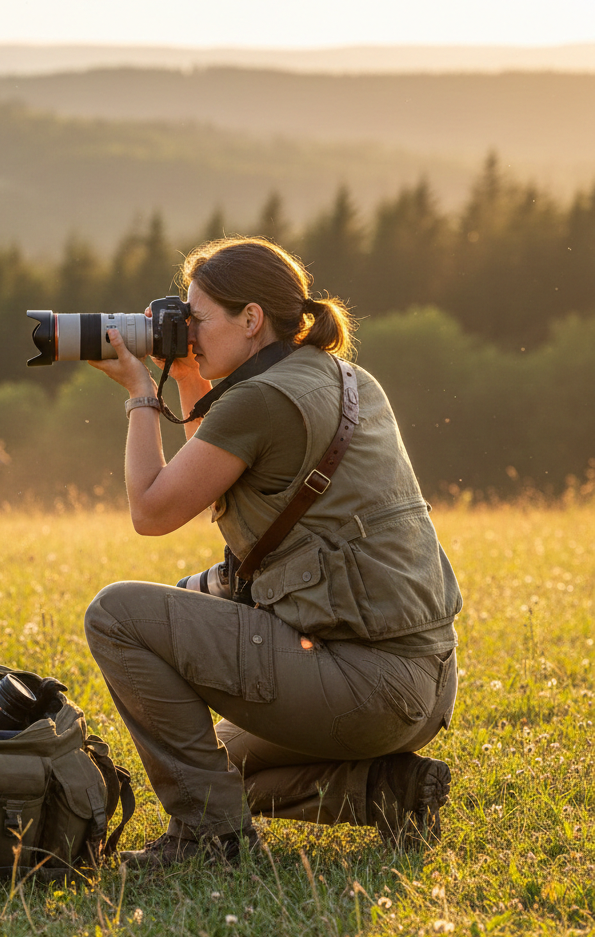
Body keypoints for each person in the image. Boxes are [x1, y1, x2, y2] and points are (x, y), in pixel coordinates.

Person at [84, 237, 461, 870]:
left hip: (363, 686)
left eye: (196, 318)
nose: (185, 329)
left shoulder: (260, 400)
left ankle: (212, 842)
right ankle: (385, 791)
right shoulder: (343, 376)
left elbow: (153, 512)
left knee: (116, 615)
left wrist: (138, 395)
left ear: (251, 319)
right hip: (424, 681)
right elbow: (217, 480)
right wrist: (185, 376)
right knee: (211, 766)